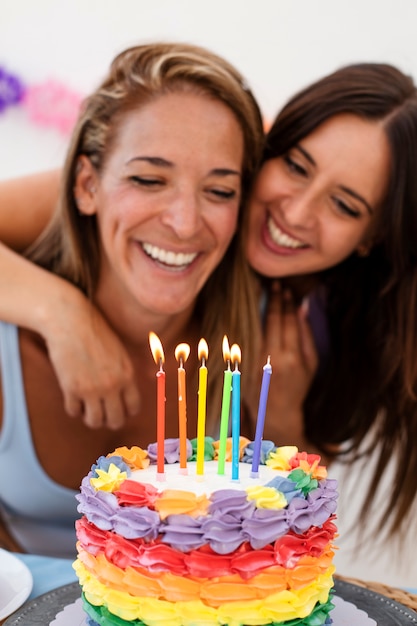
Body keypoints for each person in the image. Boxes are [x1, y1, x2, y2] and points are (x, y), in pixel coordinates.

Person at [2, 61, 417, 586]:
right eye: (295, 166)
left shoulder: (310, 340)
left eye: (342, 204)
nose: (295, 211)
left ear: (370, 237)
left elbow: (282, 559)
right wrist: (61, 312)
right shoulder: (147, 183)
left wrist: (286, 426)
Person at [0, 41, 265, 557]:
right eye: (148, 179)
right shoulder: (9, 345)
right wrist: (61, 312)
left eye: (219, 190)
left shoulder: (264, 348)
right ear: (86, 184)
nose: (185, 222)